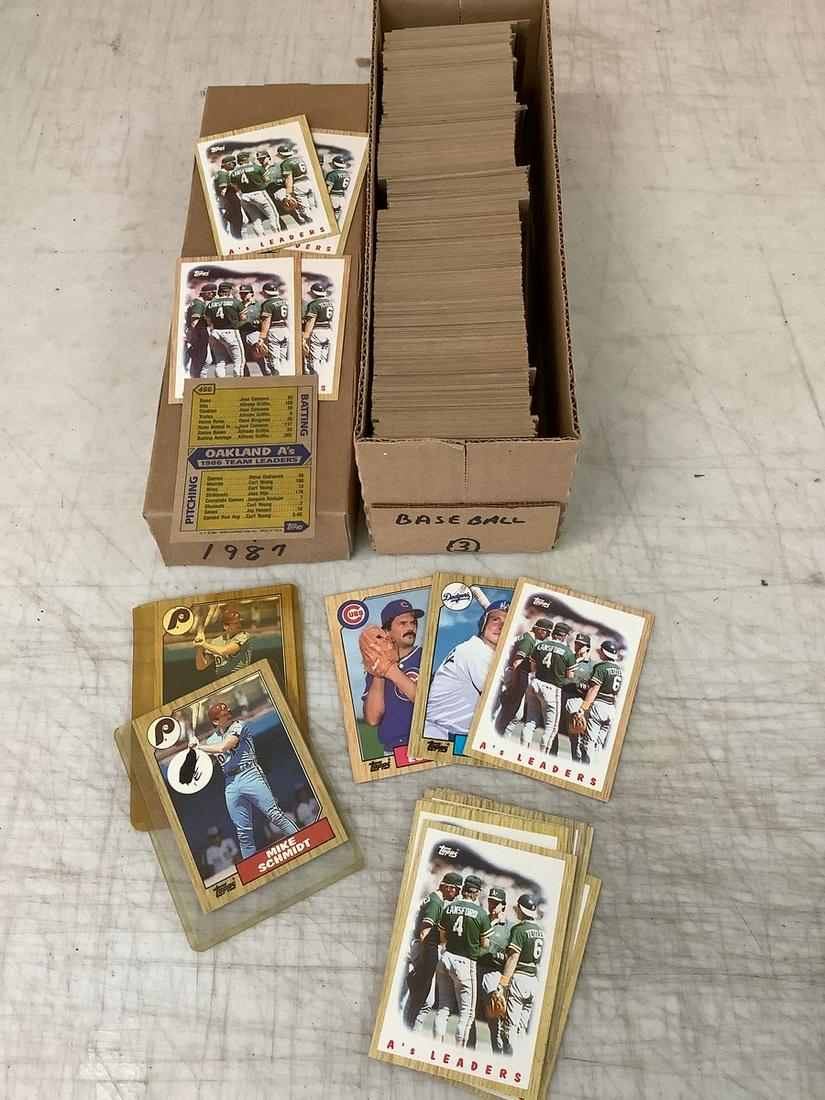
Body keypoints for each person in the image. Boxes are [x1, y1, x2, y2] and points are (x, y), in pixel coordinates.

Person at [194, 700, 298, 858]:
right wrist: (193, 753)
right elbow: (211, 763)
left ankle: (302, 841)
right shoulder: (210, 741)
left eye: (228, 712)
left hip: (249, 773)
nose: (228, 715)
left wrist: (199, 746)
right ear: (215, 721)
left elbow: (224, 747)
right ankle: (251, 865)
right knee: (243, 832)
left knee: (275, 815)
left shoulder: (238, 725)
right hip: (230, 783)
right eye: (223, 715)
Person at [423, 600, 510, 746]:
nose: (501, 626)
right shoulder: (476, 651)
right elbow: (506, 700)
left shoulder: (476, 648)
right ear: (483, 624)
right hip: (440, 734)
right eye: (495, 619)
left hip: (448, 733)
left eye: (507, 623)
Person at [433, 874, 492, 1046]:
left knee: (443, 1008)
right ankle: (458, 1050)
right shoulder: (481, 913)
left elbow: (442, 937)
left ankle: (435, 1045)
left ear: (464, 889)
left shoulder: (450, 907)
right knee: (467, 1013)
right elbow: (485, 944)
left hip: (446, 957)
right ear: (476, 892)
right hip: (466, 963)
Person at [362, 598, 424, 756]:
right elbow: (372, 719)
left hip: (424, 744)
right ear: (387, 632)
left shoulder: (426, 656)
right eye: (403, 623)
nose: (411, 628)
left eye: (413, 623)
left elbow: (427, 702)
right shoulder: (374, 668)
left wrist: (391, 671)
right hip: (393, 750)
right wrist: (379, 672)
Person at [403, 871, 463, 1029]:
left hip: (424, 946)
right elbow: (424, 933)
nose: (458, 893)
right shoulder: (436, 902)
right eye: (456, 889)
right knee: (419, 997)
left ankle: (411, 1029)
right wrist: (422, 961)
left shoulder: (436, 899)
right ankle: (407, 1028)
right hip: (425, 947)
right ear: (448, 887)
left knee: (425, 1000)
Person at [497, 894, 545, 1055]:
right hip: (533, 981)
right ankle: (520, 1057)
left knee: (510, 1027)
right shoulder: (540, 932)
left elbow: (513, 958)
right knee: (522, 1028)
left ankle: (511, 1060)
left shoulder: (519, 929)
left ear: (521, 909)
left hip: (520, 979)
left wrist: (502, 983)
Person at [467, 886, 512, 1053]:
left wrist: (499, 959)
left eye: (496, 903)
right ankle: (469, 1048)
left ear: (503, 905)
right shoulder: (481, 919)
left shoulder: (509, 928)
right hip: (476, 967)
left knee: (494, 1014)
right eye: (490, 901)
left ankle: (497, 1052)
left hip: (494, 973)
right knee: (469, 1012)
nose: (492, 905)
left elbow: (510, 956)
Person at [520, 621, 576, 752]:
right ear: (564, 635)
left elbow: (533, 668)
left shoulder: (540, 645)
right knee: (551, 726)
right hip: (552, 688)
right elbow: (570, 675)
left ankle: (522, 749)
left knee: (530, 721)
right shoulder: (567, 652)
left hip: (536, 683)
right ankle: (542, 754)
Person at [567, 639, 623, 763]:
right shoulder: (619, 671)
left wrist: (583, 708)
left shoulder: (601, 667)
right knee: (599, 744)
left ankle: (586, 769)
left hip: (599, 706)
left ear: (603, 652)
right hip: (611, 708)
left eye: (601, 651)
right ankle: (596, 767)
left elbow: (593, 690)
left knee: (588, 743)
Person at [497, 619, 552, 736]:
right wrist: (514, 686)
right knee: (510, 712)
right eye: (547, 631)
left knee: (517, 715)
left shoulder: (528, 638)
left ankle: (502, 736)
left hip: (518, 673)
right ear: (539, 629)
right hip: (517, 673)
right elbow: (517, 663)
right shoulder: (528, 640)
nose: (548, 635)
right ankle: (497, 735)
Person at [549, 631, 596, 760]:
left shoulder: (591, 665)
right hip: (561, 694)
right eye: (577, 643)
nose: (578, 646)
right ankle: (551, 755)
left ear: (588, 648)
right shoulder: (568, 656)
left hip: (576, 698)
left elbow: (593, 688)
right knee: (553, 726)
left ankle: (576, 759)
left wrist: (582, 688)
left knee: (574, 731)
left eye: (581, 645)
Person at [194, 608, 253, 676]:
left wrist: (203, 643)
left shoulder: (243, 636)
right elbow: (201, 666)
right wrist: (199, 648)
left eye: (240, 622)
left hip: (240, 676)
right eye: (235, 623)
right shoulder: (216, 642)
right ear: (225, 626)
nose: (239, 625)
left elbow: (223, 652)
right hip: (222, 678)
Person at [203, 281, 245, 378]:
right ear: (229, 291)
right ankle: (238, 382)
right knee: (239, 360)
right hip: (231, 332)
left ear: (219, 291)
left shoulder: (211, 304)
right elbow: (243, 317)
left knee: (220, 361)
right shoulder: (235, 302)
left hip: (215, 332)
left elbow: (209, 322)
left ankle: (220, 382)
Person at [302, 282, 334, 377]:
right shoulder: (329, 303)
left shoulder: (314, 304)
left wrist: (305, 336)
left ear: (314, 293)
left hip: (318, 331)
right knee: (323, 358)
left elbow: (310, 322)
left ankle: (317, 379)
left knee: (315, 359)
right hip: (328, 331)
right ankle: (324, 378)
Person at [259, 279, 291, 376]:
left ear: (266, 292)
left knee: (275, 358)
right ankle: (286, 375)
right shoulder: (284, 302)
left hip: (275, 330)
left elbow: (266, 321)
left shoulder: (267, 304)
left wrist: (262, 336)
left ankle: (279, 378)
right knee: (283, 357)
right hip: (285, 329)